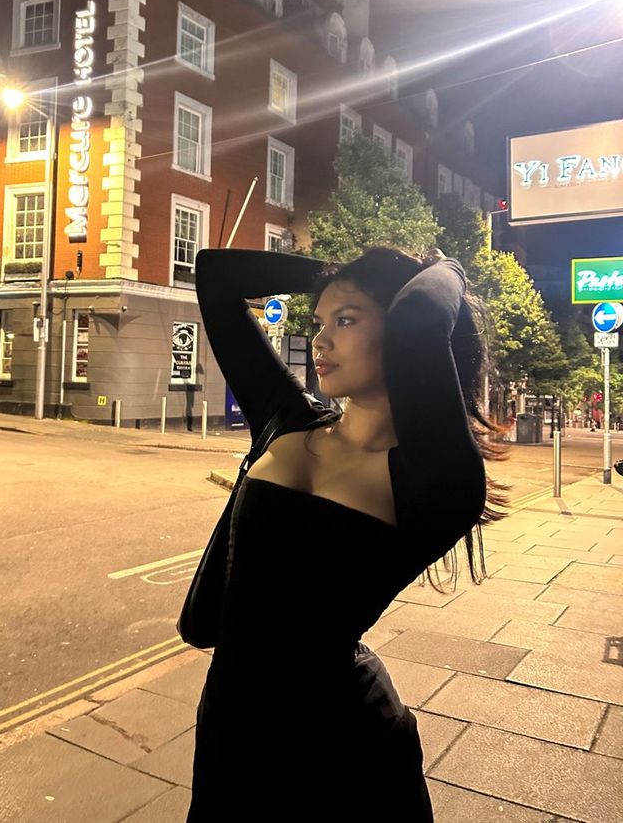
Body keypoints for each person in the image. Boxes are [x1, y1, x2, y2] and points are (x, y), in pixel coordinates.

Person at [185, 245, 507, 822]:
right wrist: (340, 278)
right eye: (318, 323)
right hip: (228, 730)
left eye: (348, 320)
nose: (320, 341)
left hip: (343, 748)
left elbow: (419, 321)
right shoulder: (289, 418)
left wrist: (449, 269)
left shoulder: (436, 480)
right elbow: (216, 275)